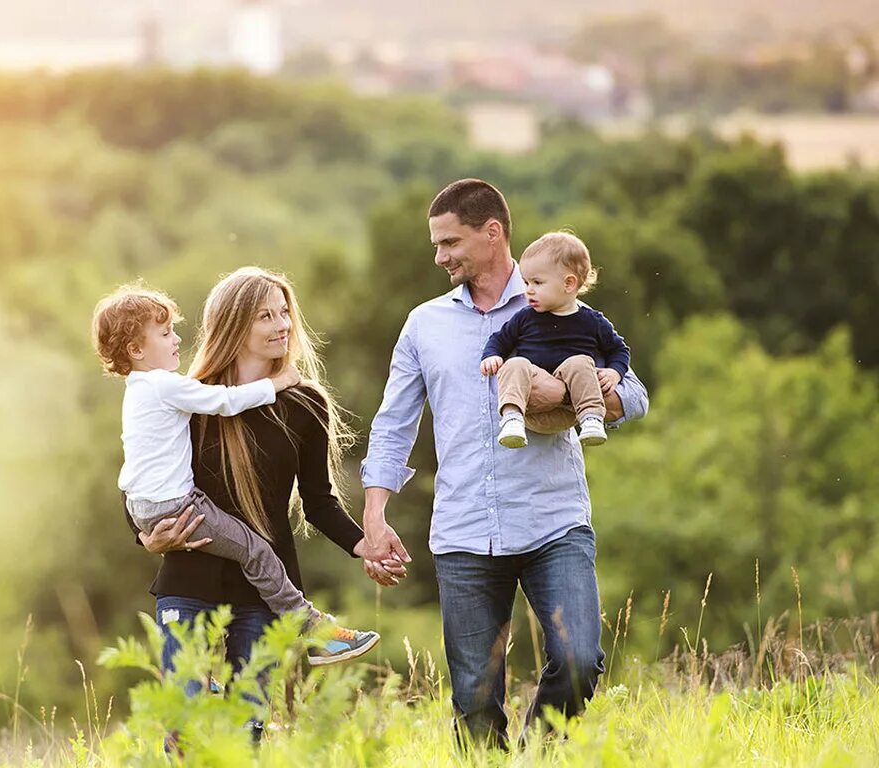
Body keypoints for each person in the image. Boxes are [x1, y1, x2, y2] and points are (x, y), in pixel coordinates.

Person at [358, 179, 649, 748]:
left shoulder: (566, 306)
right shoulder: (425, 324)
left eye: (450, 242)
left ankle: (534, 758)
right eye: (436, 245)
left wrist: (576, 397)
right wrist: (375, 514)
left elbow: (634, 395)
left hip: (553, 520)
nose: (439, 256)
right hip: (464, 529)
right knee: (473, 696)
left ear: (493, 234)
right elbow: (393, 423)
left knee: (579, 659)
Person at [128, 268, 390, 728]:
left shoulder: (306, 403)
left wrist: (362, 544)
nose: (282, 324)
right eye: (265, 316)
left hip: (264, 592)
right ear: (234, 324)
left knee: (246, 727)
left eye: (284, 311)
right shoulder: (192, 397)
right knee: (185, 727)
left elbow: (318, 501)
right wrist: (145, 537)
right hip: (189, 582)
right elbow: (140, 476)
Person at [480, 231, 631, 449]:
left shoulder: (592, 321)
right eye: (525, 282)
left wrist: (614, 372)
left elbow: (619, 350)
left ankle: (592, 419)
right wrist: (491, 356)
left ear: (569, 284)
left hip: (572, 412)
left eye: (537, 283)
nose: (528, 290)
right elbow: (500, 339)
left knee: (580, 362)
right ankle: (511, 418)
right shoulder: (525, 317)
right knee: (515, 364)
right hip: (532, 408)